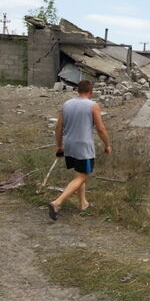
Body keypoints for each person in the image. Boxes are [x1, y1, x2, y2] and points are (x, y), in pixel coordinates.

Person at [48, 79, 111, 221]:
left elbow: (58, 127)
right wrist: (107, 145)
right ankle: (57, 203)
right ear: (91, 92)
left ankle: (83, 204)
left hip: (69, 145)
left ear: (78, 90)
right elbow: (101, 128)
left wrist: (59, 146)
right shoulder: (93, 105)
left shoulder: (66, 104)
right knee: (83, 176)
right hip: (83, 147)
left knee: (78, 175)